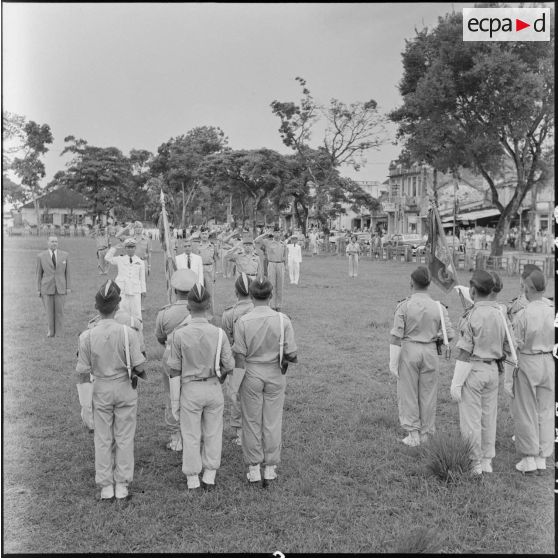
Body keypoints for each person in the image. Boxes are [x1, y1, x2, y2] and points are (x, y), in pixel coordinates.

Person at [75, 280, 147, 500]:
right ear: (118, 306)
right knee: (125, 436)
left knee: (103, 437)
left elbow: (82, 374)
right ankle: (122, 483)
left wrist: (85, 406)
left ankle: (106, 485)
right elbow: (140, 366)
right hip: (124, 387)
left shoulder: (86, 335)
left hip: (100, 389)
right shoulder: (129, 332)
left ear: (97, 307)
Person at [167, 284, 235, 491]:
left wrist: (175, 401)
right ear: (207, 307)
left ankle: (192, 478)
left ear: (189, 308)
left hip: (190, 389)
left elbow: (174, 371)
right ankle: (210, 475)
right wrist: (220, 376)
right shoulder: (219, 333)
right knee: (214, 431)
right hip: (213, 386)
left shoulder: (179, 335)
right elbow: (230, 365)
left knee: (190, 433)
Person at [232, 279, 298, 485]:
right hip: (275, 372)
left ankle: (254, 469)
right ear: (270, 296)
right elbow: (292, 353)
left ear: (251, 297)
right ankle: (270, 468)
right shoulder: (282, 319)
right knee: (272, 420)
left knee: (251, 421)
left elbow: (239, 357)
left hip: (251, 373)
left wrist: (235, 384)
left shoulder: (242, 321)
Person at [450, 270, 515, 475]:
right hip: (494, 370)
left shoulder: (471, 315)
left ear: (473, 290)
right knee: (489, 417)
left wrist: (456, 382)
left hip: (473, 369)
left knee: (471, 419)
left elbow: (464, 351)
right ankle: (487, 460)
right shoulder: (500, 312)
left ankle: (474, 462)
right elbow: (509, 345)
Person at [389, 267, 455, 447]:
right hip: (430, 351)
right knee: (428, 393)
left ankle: (413, 434)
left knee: (408, 392)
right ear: (429, 284)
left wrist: (392, 363)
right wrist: (436, 336)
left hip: (410, 349)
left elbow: (396, 336)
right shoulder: (439, 307)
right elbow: (449, 334)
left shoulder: (404, 305)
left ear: (412, 283)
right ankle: (426, 433)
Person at [508, 270, 554, 474]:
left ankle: (529, 459)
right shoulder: (552, 309)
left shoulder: (523, 313)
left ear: (527, 287)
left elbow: (514, 344)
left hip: (528, 359)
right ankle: (542, 457)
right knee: (545, 410)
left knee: (525, 409)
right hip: (549, 360)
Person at [155, 269, 198, 451]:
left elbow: (160, 338)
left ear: (174, 291)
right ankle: (192, 435)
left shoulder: (165, 313)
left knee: (171, 396)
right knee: (192, 394)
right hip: (194, 357)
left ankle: (176, 438)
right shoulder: (200, 311)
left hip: (171, 356)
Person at [221, 273, 255, 446]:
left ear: (236, 292)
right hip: (257, 361)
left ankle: (241, 434)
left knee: (235, 396)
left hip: (236, 361)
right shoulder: (259, 310)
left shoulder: (229, 314)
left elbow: (227, 342)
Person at [36, 235, 71, 338]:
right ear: (48, 243)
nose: (54, 243)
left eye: (56, 241)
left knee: (60, 311)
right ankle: (51, 331)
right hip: (46, 287)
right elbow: (38, 274)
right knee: (49, 311)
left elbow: (68, 273)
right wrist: (38, 289)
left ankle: (59, 333)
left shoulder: (65, 255)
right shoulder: (41, 256)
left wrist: (68, 287)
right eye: (52, 241)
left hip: (61, 287)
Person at [104, 237, 146, 322]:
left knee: (136, 312)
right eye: (128, 247)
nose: (130, 249)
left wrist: (143, 290)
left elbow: (142, 278)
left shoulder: (140, 261)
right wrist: (114, 248)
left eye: (132, 247)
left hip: (135, 290)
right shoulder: (120, 259)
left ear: (135, 248)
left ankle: (138, 329)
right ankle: (122, 329)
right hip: (122, 289)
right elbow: (107, 258)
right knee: (121, 311)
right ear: (125, 248)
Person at [254, 226, 288, 312]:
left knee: (280, 286)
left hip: (280, 265)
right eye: (275, 232)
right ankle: (272, 305)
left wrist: (286, 265)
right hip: (272, 264)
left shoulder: (283, 244)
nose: (277, 234)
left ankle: (279, 305)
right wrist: (266, 234)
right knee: (272, 285)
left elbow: (285, 256)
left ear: (281, 233)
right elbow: (256, 240)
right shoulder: (268, 242)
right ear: (273, 233)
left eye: (278, 232)